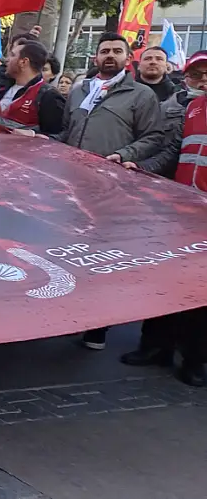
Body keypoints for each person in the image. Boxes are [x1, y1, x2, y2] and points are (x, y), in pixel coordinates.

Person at [43, 32, 164, 352]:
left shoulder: (141, 95)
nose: (110, 56)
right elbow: (67, 133)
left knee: (100, 259)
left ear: (128, 58)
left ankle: (98, 326)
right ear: (95, 58)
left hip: (112, 191)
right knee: (69, 252)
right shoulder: (80, 90)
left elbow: (154, 137)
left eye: (116, 51)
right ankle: (70, 316)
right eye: (104, 51)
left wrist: (124, 155)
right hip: (71, 188)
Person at [119, 51, 207, 387]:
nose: (201, 79)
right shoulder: (192, 108)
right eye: (196, 73)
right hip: (181, 211)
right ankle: (156, 346)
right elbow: (173, 151)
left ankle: (195, 359)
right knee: (167, 281)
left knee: (202, 293)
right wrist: (140, 168)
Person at [0, 40, 64, 135]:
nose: (6, 59)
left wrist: (33, 135)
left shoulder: (48, 95)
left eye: (12, 55)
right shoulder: (0, 86)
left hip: (22, 149)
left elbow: (58, 136)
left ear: (24, 62)